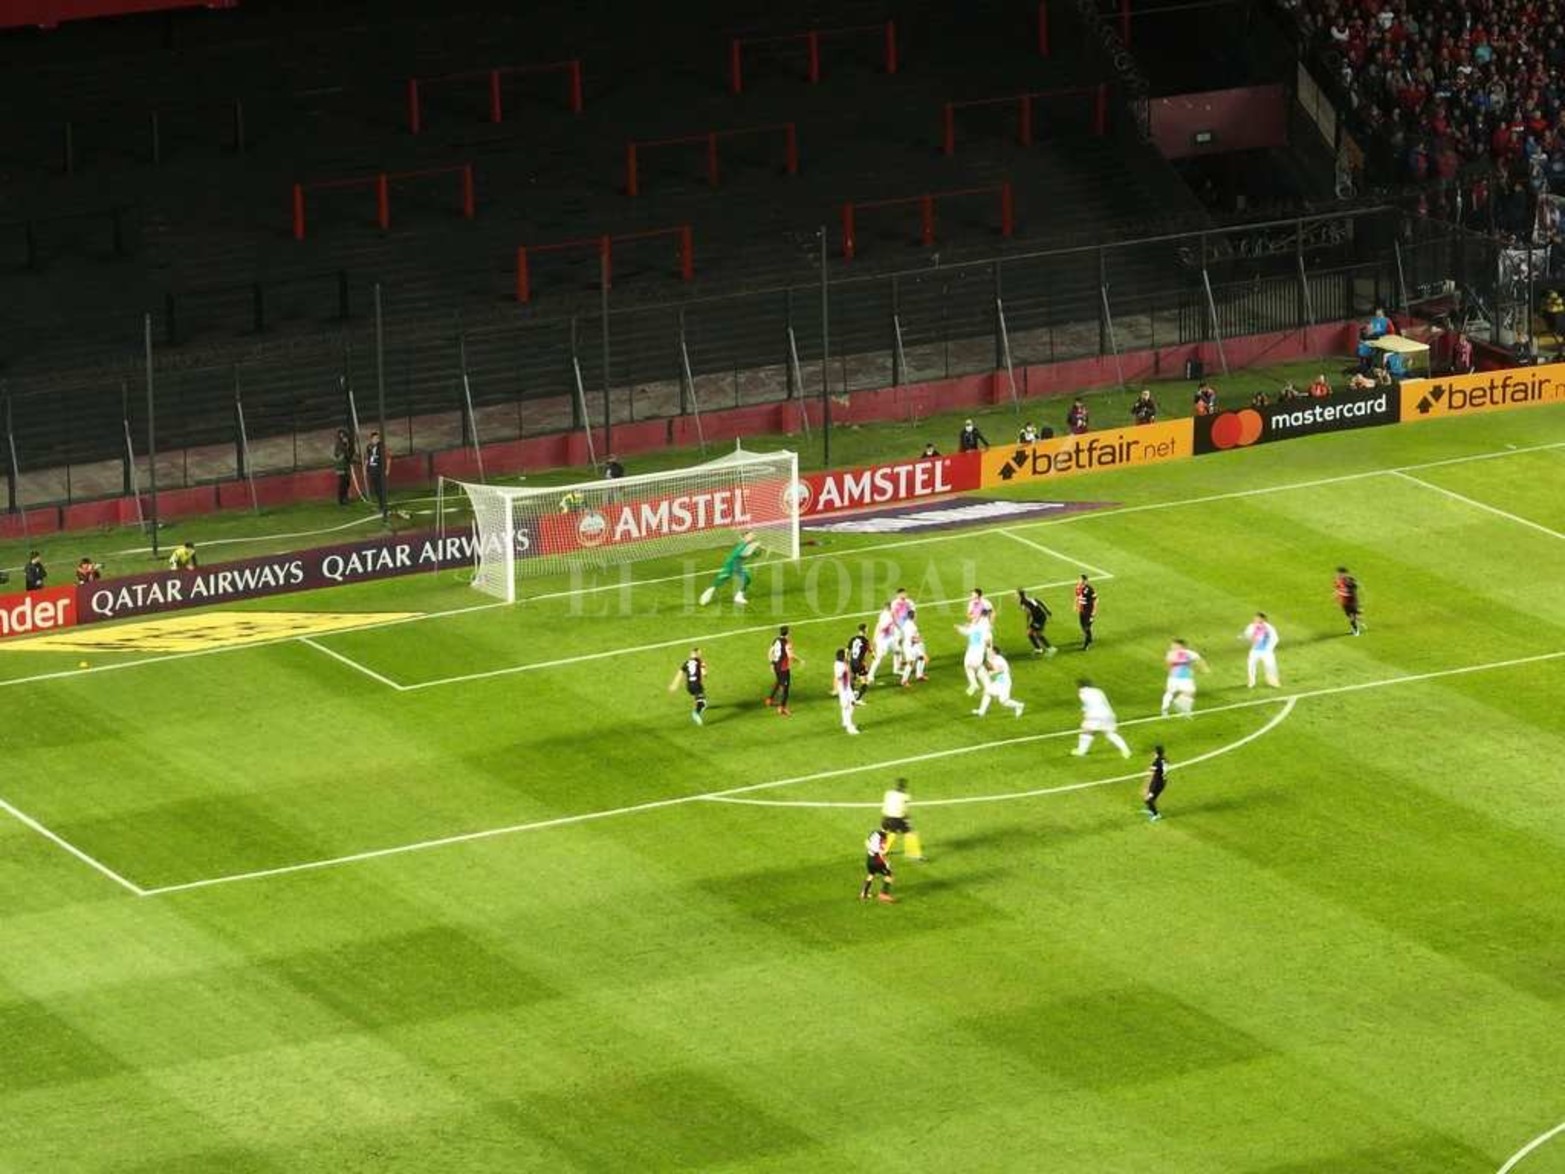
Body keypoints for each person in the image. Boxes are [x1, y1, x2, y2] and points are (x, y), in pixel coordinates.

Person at [1073, 678, 1131, 758]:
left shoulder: (1082, 693)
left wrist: (1084, 711)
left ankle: (1081, 751)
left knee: (1086, 731)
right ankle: (1126, 750)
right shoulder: (1098, 691)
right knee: (1110, 733)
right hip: (1108, 714)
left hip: (1094, 716)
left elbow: (1088, 705)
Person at [699, 530, 759, 606]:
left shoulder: (748, 544)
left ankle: (739, 596)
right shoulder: (743, 546)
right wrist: (754, 552)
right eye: (750, 536)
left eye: (753, 535)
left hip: (737, 565)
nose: (753, 536)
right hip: (731, 565)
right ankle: (706, 595)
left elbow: (748, 555)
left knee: (747, 579)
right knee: (719, 581)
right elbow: (742, 556)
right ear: (745, 538)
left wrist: (755, 552)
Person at [1160, 638, 1209, 718]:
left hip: (1183, 677)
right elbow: (1169, 663)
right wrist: (1202, 668)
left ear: (1181, 646)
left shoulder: (1187, 653)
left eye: (1174, 645)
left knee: (1189, 692)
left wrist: (1203, 668)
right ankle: (1166, 709)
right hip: (1176, 677)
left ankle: (1185, 711)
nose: (1172, 646)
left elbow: (1199, 660)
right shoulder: (1174, 653)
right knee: (1171, 692)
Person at [972, 649, 1025, 718]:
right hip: (999, 682)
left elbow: (1001, 669)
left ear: (995, 652)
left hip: (1004, 682)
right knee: (987, 692)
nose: (989, 653)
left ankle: (1019, 705)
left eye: (991, 652)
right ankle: (981, 711)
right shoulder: (993, 659)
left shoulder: (1000, 660)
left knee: (1003, 701)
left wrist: (991, 672)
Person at [880, 778, 924, 860]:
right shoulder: (906, 796)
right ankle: (914, 854)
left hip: (885, 817)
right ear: (904, 787)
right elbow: (905, 809)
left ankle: (884, 851)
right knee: (909, 833)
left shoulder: (888, 793)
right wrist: (907, 818)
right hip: (896, 818)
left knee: (891, 833)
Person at [955, 608, 993, 697]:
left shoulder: (976, 625)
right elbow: (988, 641)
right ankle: (982, 685)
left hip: (973, 650)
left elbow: (967, 631)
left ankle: (975, 684)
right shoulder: (985, 627)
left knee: (968, 666)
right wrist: (988, 653)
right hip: (978, 651)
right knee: (976, 667)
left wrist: (959, 628)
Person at [668, 646, 708, 725]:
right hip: (696, 685)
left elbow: (679, 674)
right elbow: (704, 673)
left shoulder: (686, 663)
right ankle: (696, 713)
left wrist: (674, 685)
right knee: (703, 703)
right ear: (697, 654)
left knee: (698, 696)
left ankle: (697, 702)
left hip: (689, 686)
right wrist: (704, 669)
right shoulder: (700, 661)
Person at [1240, 612, 1281, 688]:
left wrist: (1269, 648)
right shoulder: (1252, 626)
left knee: (1270, 666)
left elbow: (1275, 638)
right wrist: (1250, 637)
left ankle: (1273, 681)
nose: (1254, 619)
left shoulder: (1269, 628)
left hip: (1266, 652)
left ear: (1262, 619)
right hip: (1255, 650)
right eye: (1255, 617)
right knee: (1251, 666)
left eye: (1257, 617)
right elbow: (1247, 635)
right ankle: (1251, 682)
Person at [765, 625, 798, 715]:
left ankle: (769, 699)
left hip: (776, 666)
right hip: (783, 668)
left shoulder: (776, 640)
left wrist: (771, 663)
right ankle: (782, 708)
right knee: (786, 688)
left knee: (779, 682)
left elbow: (770, 652)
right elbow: (790, 656)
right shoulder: (787, 643)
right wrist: (797, 661)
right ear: (787, 633)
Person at [865, 599, 898, 684]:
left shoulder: (889, 613)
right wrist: (875, 638)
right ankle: (870, 675)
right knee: (879, 657)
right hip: (883, 640)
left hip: (890, 638)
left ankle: (896, 669)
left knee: (898, 651)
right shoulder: (885, 616)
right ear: (888, 607)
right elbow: (880, 627)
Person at [859, 826, 894, 902]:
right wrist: (886, 862)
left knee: (871, 874)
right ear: (888, 830)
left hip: (869, 858)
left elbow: (866, 842)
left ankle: (864, 893)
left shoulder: (874, 832)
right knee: (889, 875)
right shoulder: (884, 837)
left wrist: (871, 850)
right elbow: (882, 852)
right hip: (877, 860)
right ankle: (884, 894)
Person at [1016, 588, 1055, 656]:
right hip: (1039, 617)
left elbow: (1028, 613)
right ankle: (1040, 649)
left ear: (1019, 595)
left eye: (1016, 594)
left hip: (1039, 618)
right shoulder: (1030, 599)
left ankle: (1049, 648)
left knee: (1033, 633)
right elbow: (1040, 602)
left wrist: (1028, 623)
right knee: (1034, 633)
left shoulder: (1023, 602)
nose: (1015, 596)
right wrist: (1047, 610)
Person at [832, 647, 861, 735]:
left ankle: (845, 722)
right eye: (846, 654)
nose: (847, 655)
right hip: (844, 690)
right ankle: (850, 727)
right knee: (847, 707)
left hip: (847, 689)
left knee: (852, 704)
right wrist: (835, 689)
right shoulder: (840, 666)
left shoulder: (841, 663)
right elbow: (837, 678)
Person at [365, 430, 388, 518]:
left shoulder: (381, 446)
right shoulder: (369, 447)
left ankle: (383, 507)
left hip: (379, 471)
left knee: (380, 489)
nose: (376, 439)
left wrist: (386, 469)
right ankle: (381, 506)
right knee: (376, 490)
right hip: (372, 470)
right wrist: (366, 467)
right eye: (374, 438)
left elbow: (386, 456)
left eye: (377, 438)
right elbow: (368, 457)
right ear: (371, 439)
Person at [1334, 567, 1364, 636]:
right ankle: (1354, 627)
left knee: (1352, 616)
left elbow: (1354, 588)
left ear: (1344, 574)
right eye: (1338, 573)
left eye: (1340, 573)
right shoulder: (1338, 580)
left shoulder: (1349, 580)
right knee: (1349, 616)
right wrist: (1336, 596)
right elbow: (1337, 589)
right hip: (1344, 601)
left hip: (1351, 600)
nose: (1338, 575)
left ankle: (1356, 630)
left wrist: (1351, 584)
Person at [898, 620, 928, 686]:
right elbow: (913, 639)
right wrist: (919, 640)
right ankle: (904, 681)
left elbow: (902, 634)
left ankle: (919, 675)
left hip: (910, 645)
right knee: (911, 663)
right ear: (914, 617)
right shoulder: (913, 627)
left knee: (921, 658)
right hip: (910, 646)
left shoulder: (905, 623)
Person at [332, 428, 357, 506]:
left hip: (346, 465)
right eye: (341, 436)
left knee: (347, 482)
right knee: (342, 483)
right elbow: (338, 454)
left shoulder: (348, 443)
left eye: (344, 436)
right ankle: (341, 499)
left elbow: (351, 452)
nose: (343, 438)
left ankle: (345, 497)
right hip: (341, 466)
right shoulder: (338, 445)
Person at [1144, 744, 1168, 822]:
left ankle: (1156, 815)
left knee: (1148, 799)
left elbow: (1151, 771)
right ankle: (1151, 810)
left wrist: (1147, 785)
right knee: (1150, 798)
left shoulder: (1156, 762)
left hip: (1157, 783)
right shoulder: (1165, 759)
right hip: (1162, 781)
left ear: (1156, 752)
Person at [848, 622, 871, 701]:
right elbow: (869, 650)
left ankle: (852, 694)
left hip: (852, 662)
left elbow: (847, 650)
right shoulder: (865, 640)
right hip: (860, 663)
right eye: (867, 629)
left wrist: (847, 659)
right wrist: (873, 655)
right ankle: (858, 699)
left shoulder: (853, 639)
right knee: (865, 682)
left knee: (853, 678)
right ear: (865, 630)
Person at [1073, 573, 1097, 651]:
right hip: (1082, 610)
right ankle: (1090, 638)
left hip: (1089, 611)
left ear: (1085, 581)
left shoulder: (1090, 589)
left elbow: (1096, 600)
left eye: (1081, 579)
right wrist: (1075, 605)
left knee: (1087, 627)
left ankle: (1086, 645)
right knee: (1083, 626)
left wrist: (1093, 612)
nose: (1079, 580)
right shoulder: (1077, 587)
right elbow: (1077, 597)